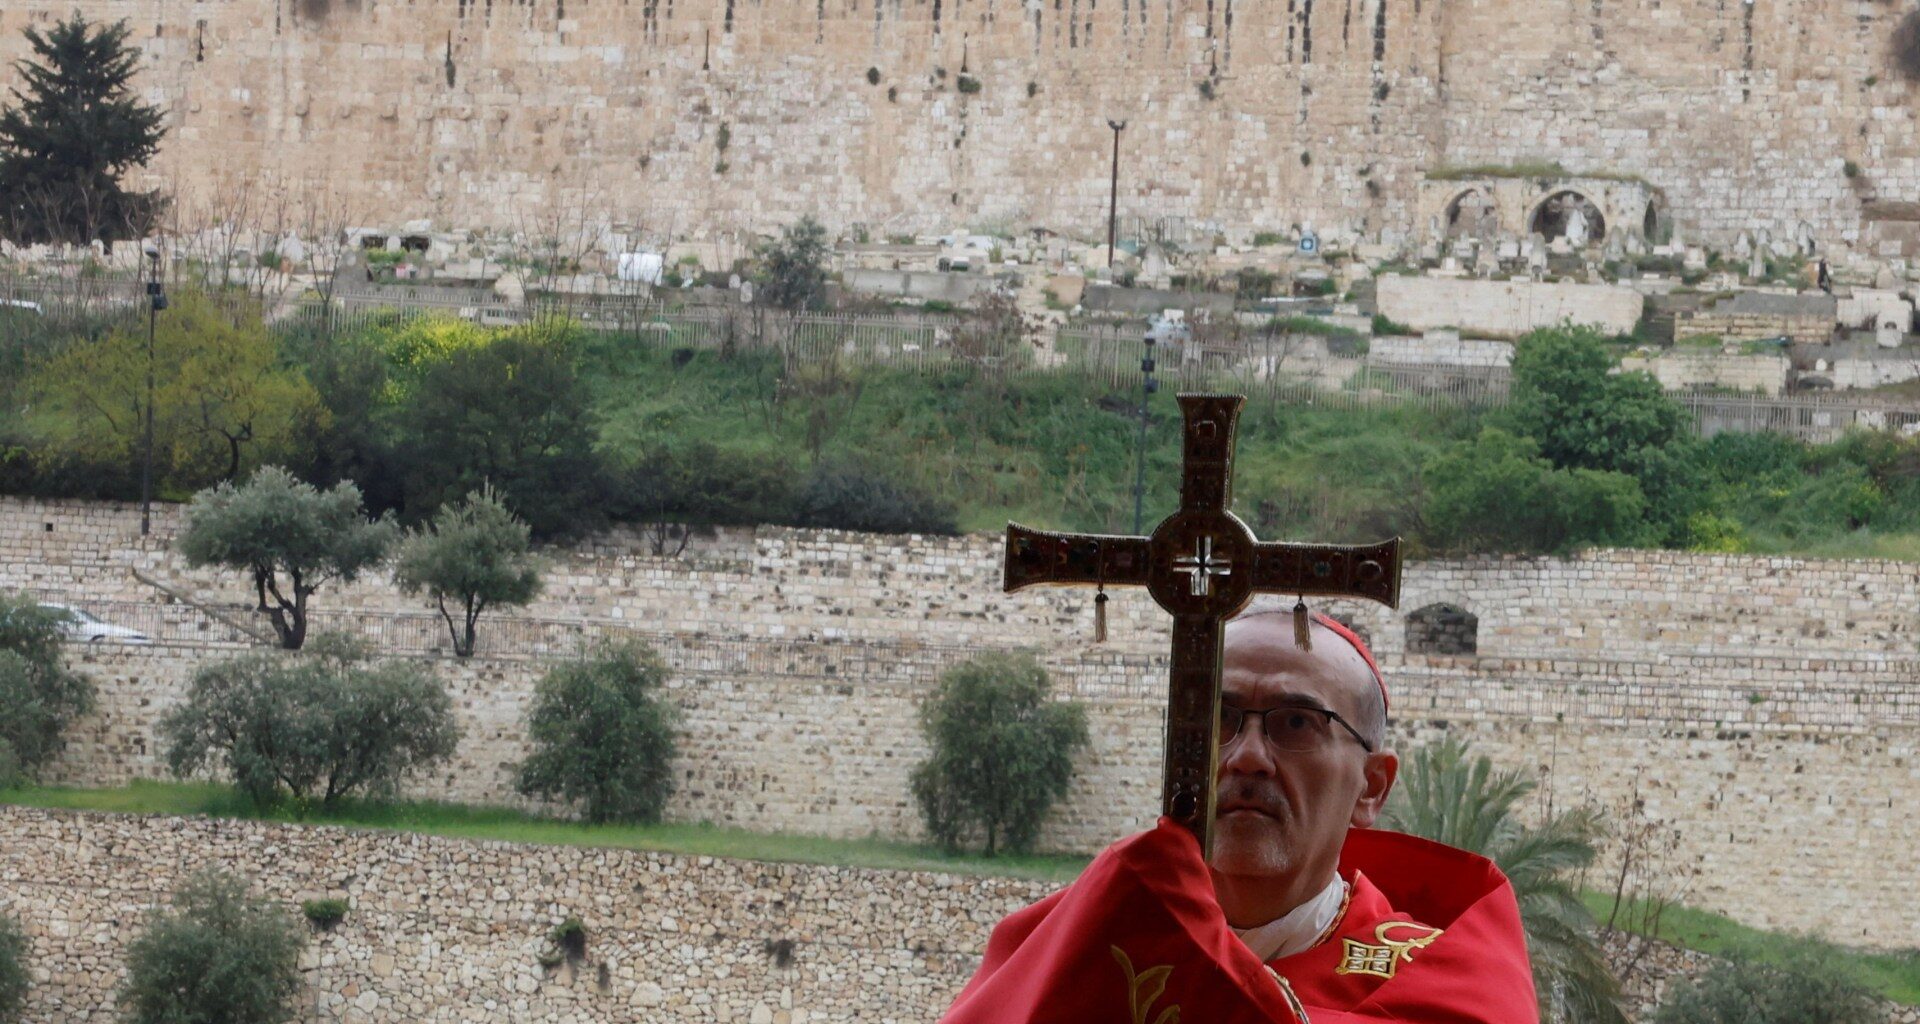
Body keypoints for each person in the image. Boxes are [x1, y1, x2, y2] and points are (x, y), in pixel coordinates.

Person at [940, 610, 1538, 1023]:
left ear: (1371, 787)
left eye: (1296, 723)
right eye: (1219, 720)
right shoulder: (1074, 942)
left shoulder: (1448, 988)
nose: (1247, 756)